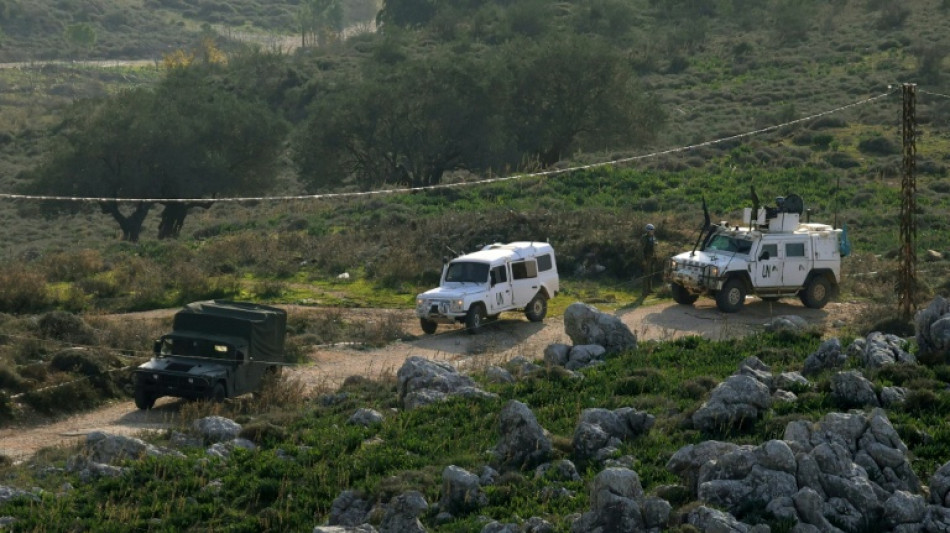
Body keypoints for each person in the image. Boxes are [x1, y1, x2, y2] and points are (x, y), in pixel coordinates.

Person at [641, 223, 657, 293]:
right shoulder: (644, 238)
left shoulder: (653, 237)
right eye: (651, 230)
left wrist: (656, 256)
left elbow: (655, 247)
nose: (652, 231)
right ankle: (644, 291)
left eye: (653, 230)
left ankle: (650, 289)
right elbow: (641, 250)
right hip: (646, 258)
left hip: (652, 258)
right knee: (646, 275)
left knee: (651, 274)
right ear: (648, 231)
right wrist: (643, 259)